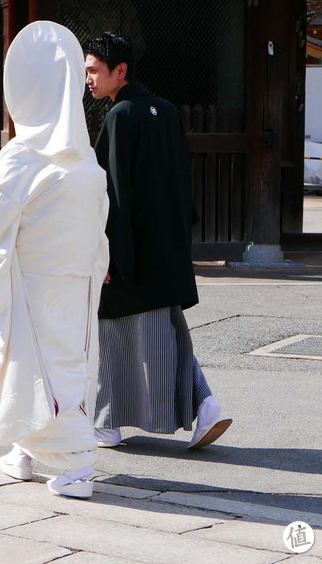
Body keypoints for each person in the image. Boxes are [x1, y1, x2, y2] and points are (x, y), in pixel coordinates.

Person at [0, 21, 110, 499]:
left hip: (31, 280)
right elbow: (98, 222)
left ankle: (76, 463)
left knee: (33, 363)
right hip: (77, 279)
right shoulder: (85, 158)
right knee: (70, 360)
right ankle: (27, 448)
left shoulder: (22, 154)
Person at [85, 31, 231, 450]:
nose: (89, 80)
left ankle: (107, 423)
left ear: (121, 71)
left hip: (132, 252)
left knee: (113, 335)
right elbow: (182, 181)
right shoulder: (165, 111)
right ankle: (204, 406)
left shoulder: (121, 116)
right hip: (168, 248)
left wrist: (111, 258)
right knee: (166, 334)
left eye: (94, 71)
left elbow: (112, 194)